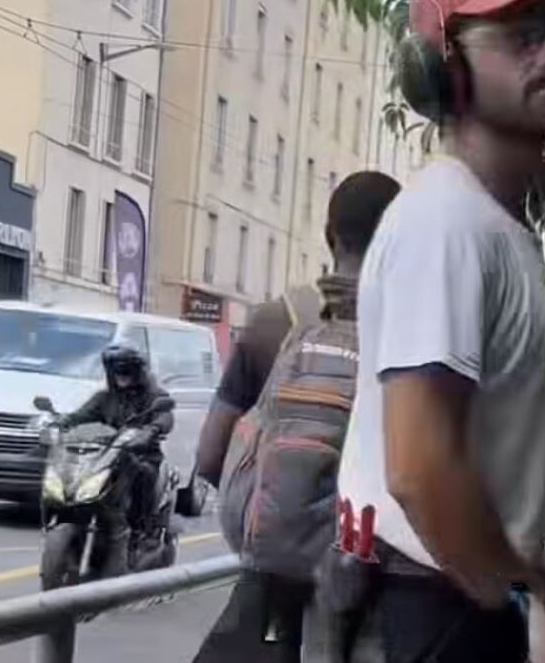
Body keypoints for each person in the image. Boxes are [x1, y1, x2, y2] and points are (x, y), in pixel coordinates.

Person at [336, 0, 545, 663]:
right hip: (431, 610)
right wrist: (514, 587)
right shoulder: (446, 221)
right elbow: (418, 468)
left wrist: (533, 570)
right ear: (443, 70)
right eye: (521, 37)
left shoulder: (489, 224)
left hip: (447, 600)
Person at [191, 170, 401, 663]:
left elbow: (210, 457)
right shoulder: (409, 337)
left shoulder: (275, 323)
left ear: (330, 237)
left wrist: (280, 523)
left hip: (270, 589)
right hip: (366, 594)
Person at [59, 343, 173, 575]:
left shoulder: (154, 396)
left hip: (143, 456)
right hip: (109, 455)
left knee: (143, 473)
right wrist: (60, 423)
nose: (121, 376)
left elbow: (165, 417)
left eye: (126, 370)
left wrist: (152, 430)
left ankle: (141, 529)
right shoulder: (104, 398)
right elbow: (80, 416)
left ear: (137, 371)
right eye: (116, 371)